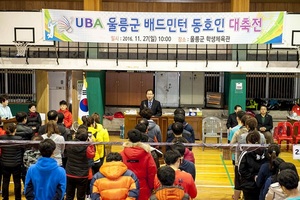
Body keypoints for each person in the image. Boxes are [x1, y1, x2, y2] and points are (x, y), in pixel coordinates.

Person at [120, 129, 157, 200]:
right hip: (143, 187)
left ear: (128, 139)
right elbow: (152, 172)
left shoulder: (121, 154)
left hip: (126, 187)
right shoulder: (147, 155)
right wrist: (151, 186)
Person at [65, 128, 95, 200]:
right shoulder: (87, 147)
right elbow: (92, 155)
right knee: (81, 196)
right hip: (82, 175)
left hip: (70, 172)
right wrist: (91, 145)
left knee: (69, 195)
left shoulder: (69, 144)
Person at [238, 130, 267, 200]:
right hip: (261, 185)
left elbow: (240, 170)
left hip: (249, 186)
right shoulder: (266, 151)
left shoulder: (245, 153)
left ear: (248, 141)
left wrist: (254, 177)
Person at [0, 123, 23, 200]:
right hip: (16, 163)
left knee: (5, 181)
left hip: (5, 162)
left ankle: (5, 197)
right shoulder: (19, 138)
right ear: (15, 130)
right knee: (17, 181)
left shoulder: (2, 138)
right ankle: (18, 198)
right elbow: (22, 150)